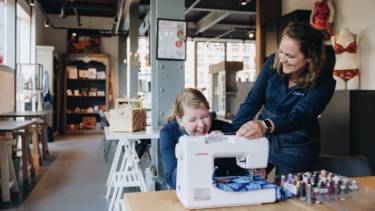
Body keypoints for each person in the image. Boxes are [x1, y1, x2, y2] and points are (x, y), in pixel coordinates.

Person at [233, 22, 336, 176]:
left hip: (297, 147)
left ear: (309, 57)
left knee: (287, 193)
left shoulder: (324, 82)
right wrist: (233, 132)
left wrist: (265, 124)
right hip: (264, 139)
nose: (282, 59)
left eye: (290, 56)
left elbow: (300, 114)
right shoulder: (272, 64)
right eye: (281, 52)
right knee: (248, 182)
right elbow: (253, 100)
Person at [160, 88, 241, 189]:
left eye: (205, 117)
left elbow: (239, 174)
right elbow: (173, 179)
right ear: (180, 121)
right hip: (187, 192)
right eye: (193, 120)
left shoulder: (226, 129)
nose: (201, 125)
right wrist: (204, 144)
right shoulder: (168, 133)